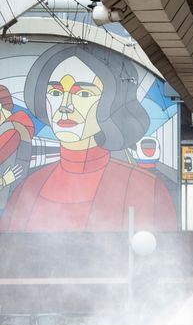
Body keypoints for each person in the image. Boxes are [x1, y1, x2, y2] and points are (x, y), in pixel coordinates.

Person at [0, 44, 176, 231]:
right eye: (55, 92)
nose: (64, 106)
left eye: (83, 93)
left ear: (112, 102)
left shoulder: (145, 189)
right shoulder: (27, 189)